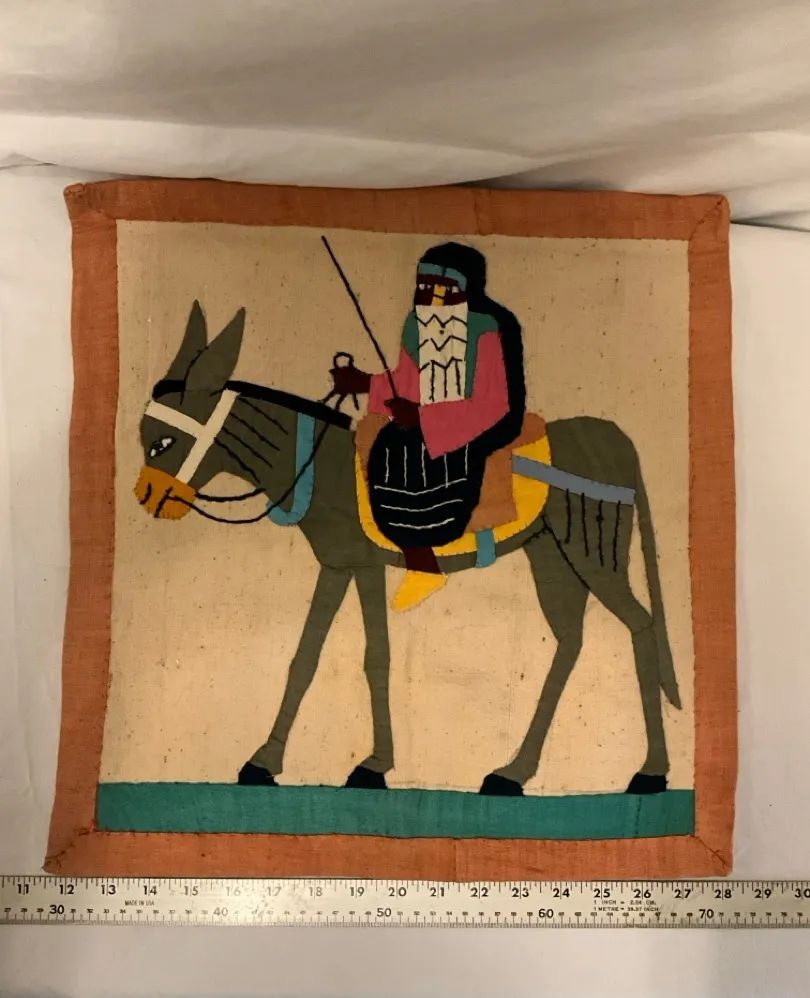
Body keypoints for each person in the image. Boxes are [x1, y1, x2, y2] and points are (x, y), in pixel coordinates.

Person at [332, 242, 525, 611]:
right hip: (428, 421)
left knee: (419, 457)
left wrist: (423, 418)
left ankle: (424, 562)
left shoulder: (489, 328)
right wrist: (365, 383)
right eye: (423, 287)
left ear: (465, 289)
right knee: (389, 443)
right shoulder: (416, 325)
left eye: (440, 288)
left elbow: (493, 405)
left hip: (480, 426)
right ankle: (418, 557)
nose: (429, 297)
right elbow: (408, 385)